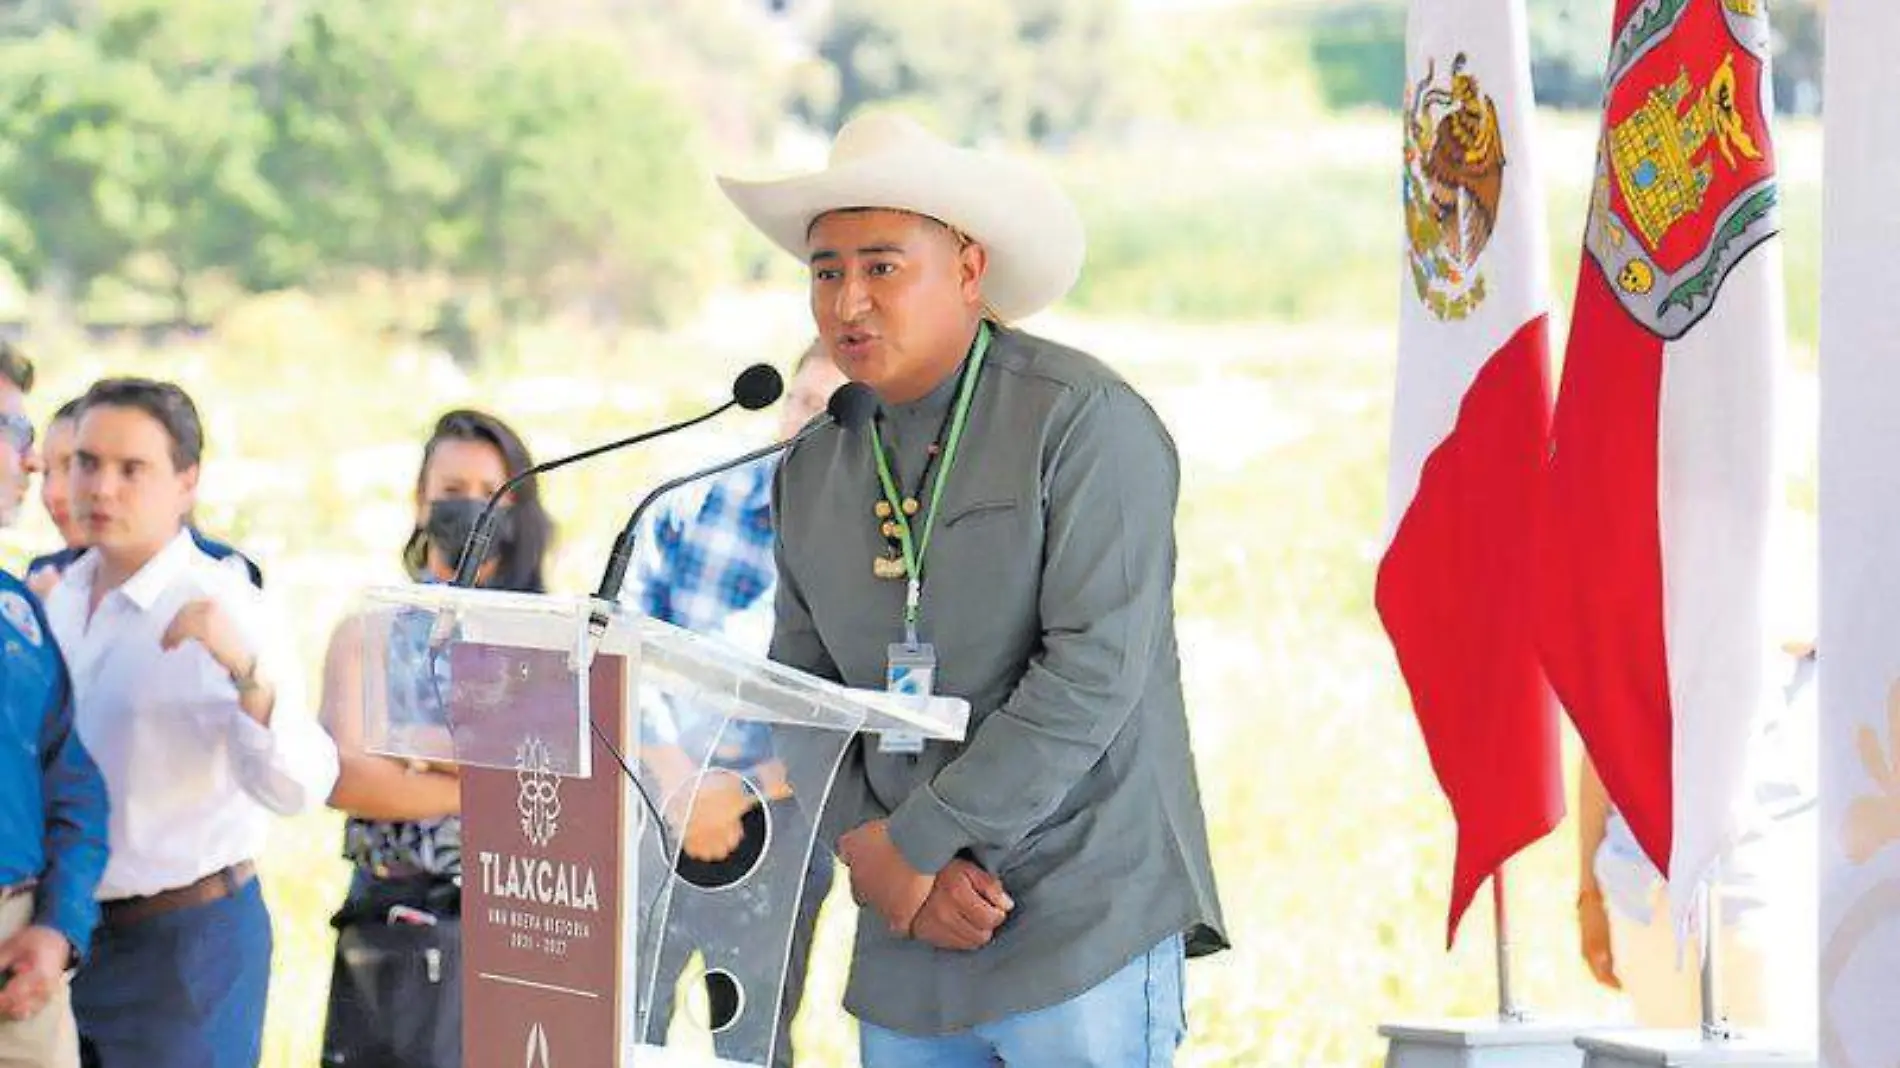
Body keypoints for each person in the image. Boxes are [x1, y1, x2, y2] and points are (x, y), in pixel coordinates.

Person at [718, 112, 1228, 1065]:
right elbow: (803, 694)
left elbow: (1094, 671)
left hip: (1079, 913)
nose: (849, 303)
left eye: (882, 267)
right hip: (908, 936)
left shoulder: (1082, 422)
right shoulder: (815, 465)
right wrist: (881, 857)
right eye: (826, 273)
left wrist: (919, 844)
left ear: (967, 269)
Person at [42, 378, 338, 1068]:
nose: (102, 488)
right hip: (68, 942)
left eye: (131, 469)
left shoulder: (224, 603)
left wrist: (247, 672)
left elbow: (301, 787)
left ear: (187, 481)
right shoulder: (56, 600)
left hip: (188, 948)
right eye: (86, 462)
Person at [628, 344, 849, 1066]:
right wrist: (674, 778)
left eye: (838, 412)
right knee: (619, 1033)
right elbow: (620, 642)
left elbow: (860, 707)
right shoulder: (690, 503)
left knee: (750, 1048)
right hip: (652, 803)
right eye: (803, 402)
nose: (808, 425)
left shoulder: (882, 548)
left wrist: (739, 791)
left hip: (784, 822)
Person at [317, 409, 555, 1068]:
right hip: (393, 930)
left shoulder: (549, 635)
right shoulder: (371, 628)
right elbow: (347, 776)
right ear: (420, 500)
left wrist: (411, 753)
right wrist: (491, 772)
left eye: (489, 490)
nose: (469, 507)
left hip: (519, 928)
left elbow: (552, 786)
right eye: (451, 489)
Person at [1576, 645, 1818, 1035]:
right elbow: (1599, 741)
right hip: (1641, 883)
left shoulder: (1806, 596)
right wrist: (1588, 895)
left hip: (1761, 883)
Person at [0, 342, 110, 1068]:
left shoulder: (17, 614)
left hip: (20, 963)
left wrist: (57, 930)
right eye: (14, 433)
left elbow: (73, 786)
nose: (35, 463)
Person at [29, 396, 264, 595]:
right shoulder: (43, 577)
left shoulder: (222, 577)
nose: (51, 494)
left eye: (76, 467)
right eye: (46, 472)